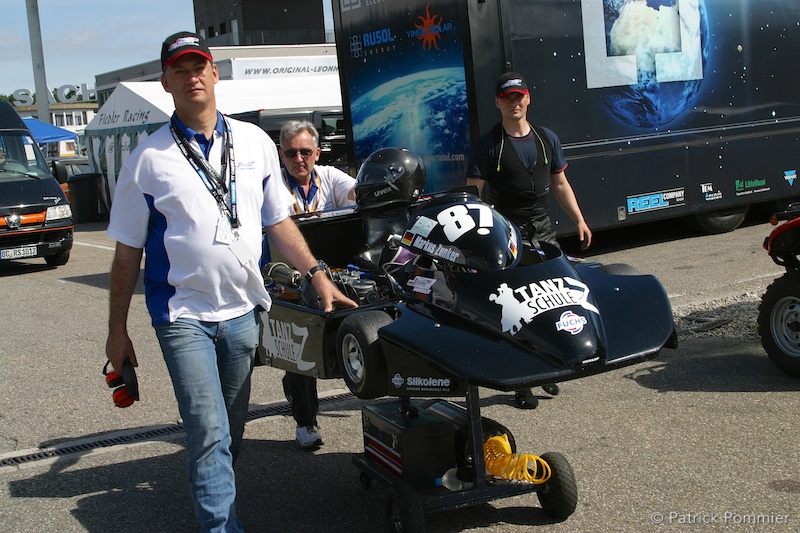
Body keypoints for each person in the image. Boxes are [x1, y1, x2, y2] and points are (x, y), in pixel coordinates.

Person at [104, 31, 357, 532]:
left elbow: (278, 224)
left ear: (215, 73)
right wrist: (117, 331)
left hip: (243, 312)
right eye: (180, 69)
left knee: (229, 432)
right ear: (166, 82)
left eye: (200, 66)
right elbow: (127, 255)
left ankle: (212, 484)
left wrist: (318, 275)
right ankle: (221, 525)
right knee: (208, 428)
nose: (192, 76)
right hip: (182, 316)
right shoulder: (147, 160)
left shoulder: (255, 142)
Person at [466, 71, 592, 409]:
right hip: (508, 232)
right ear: (498, 103)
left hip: (544, 229)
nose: (514, 103)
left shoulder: (546, 138)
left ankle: (551, 366)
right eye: (507, 98)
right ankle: (522, 383)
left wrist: (578, 220)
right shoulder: (488, 144)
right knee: (518, 309)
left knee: (555, 300)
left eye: (519, 96)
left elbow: (561, 184)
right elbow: (474, 195)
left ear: (528, 98)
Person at [276, 119, 356, 449]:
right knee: (302, 348)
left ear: (317, 153)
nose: (299, 159)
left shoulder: (330, 178)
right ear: (281, 155)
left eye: (305, 152)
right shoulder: (273, 188)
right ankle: (305, 422)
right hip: (290, 278)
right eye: (291, 153)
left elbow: (358, 193)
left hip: (335, 271)